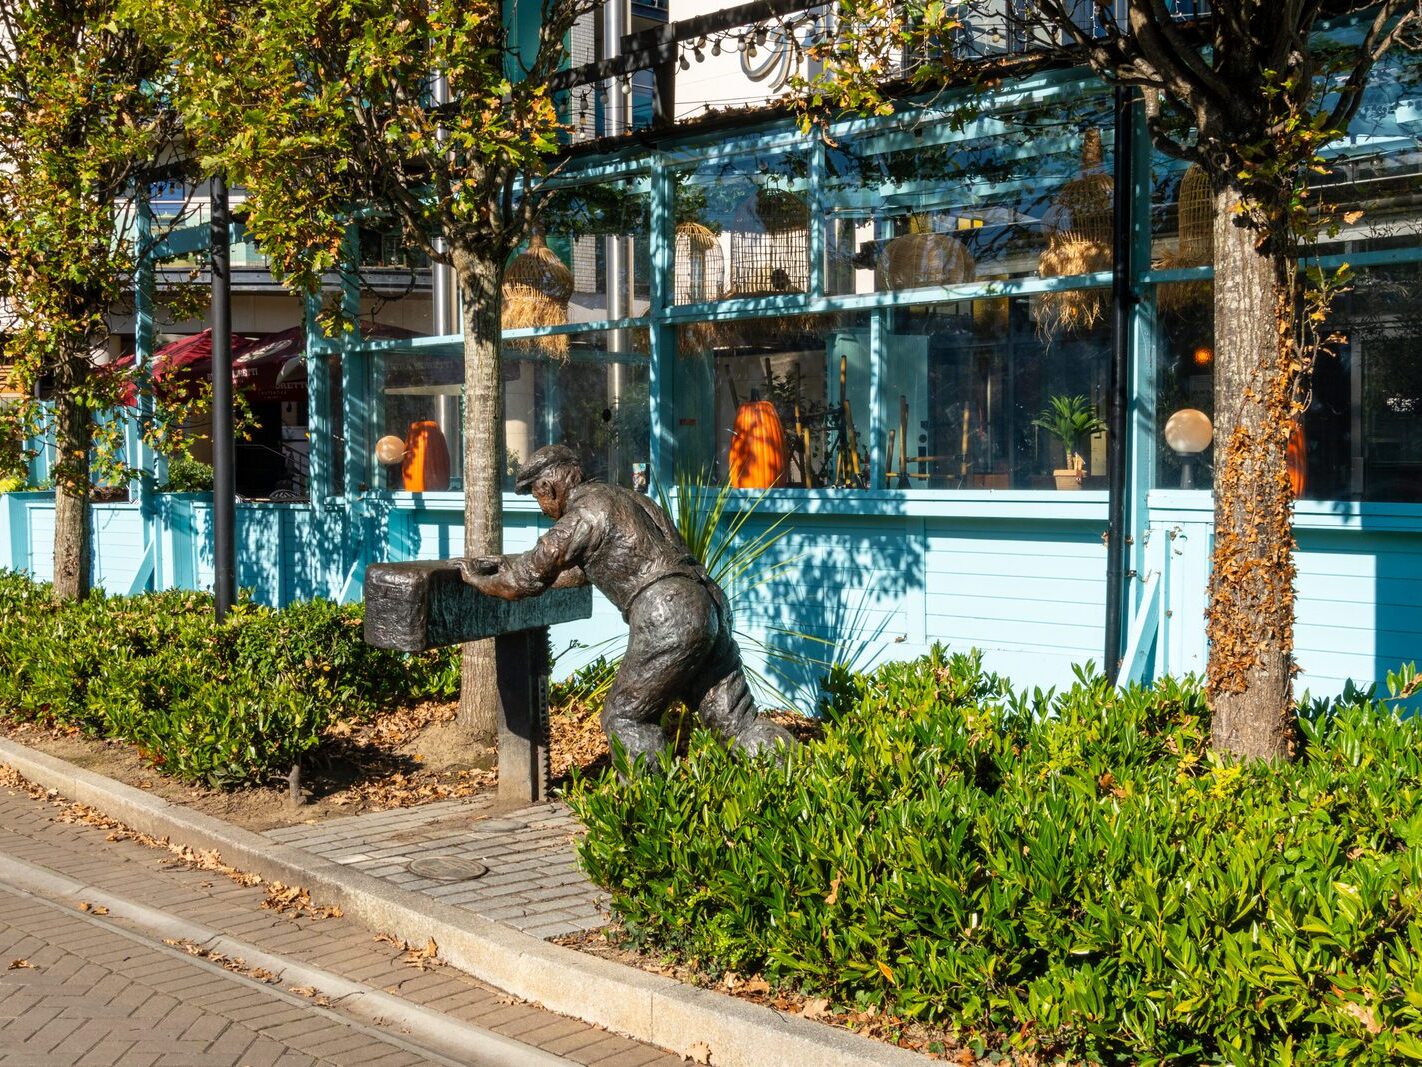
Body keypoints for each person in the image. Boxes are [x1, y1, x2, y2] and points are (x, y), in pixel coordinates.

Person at [460, 444, 794, 768]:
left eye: (537, 497)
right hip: (707, 603)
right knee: (737, 721)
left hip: (668, 613)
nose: (542, 508)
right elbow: (578, 571)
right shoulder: (634, 500)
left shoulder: (584, 514)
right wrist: (506, 563)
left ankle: (647, 811)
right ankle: (798, 783)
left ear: (547, 487)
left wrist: (479, 580)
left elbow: (528, 577)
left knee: (626, 716)